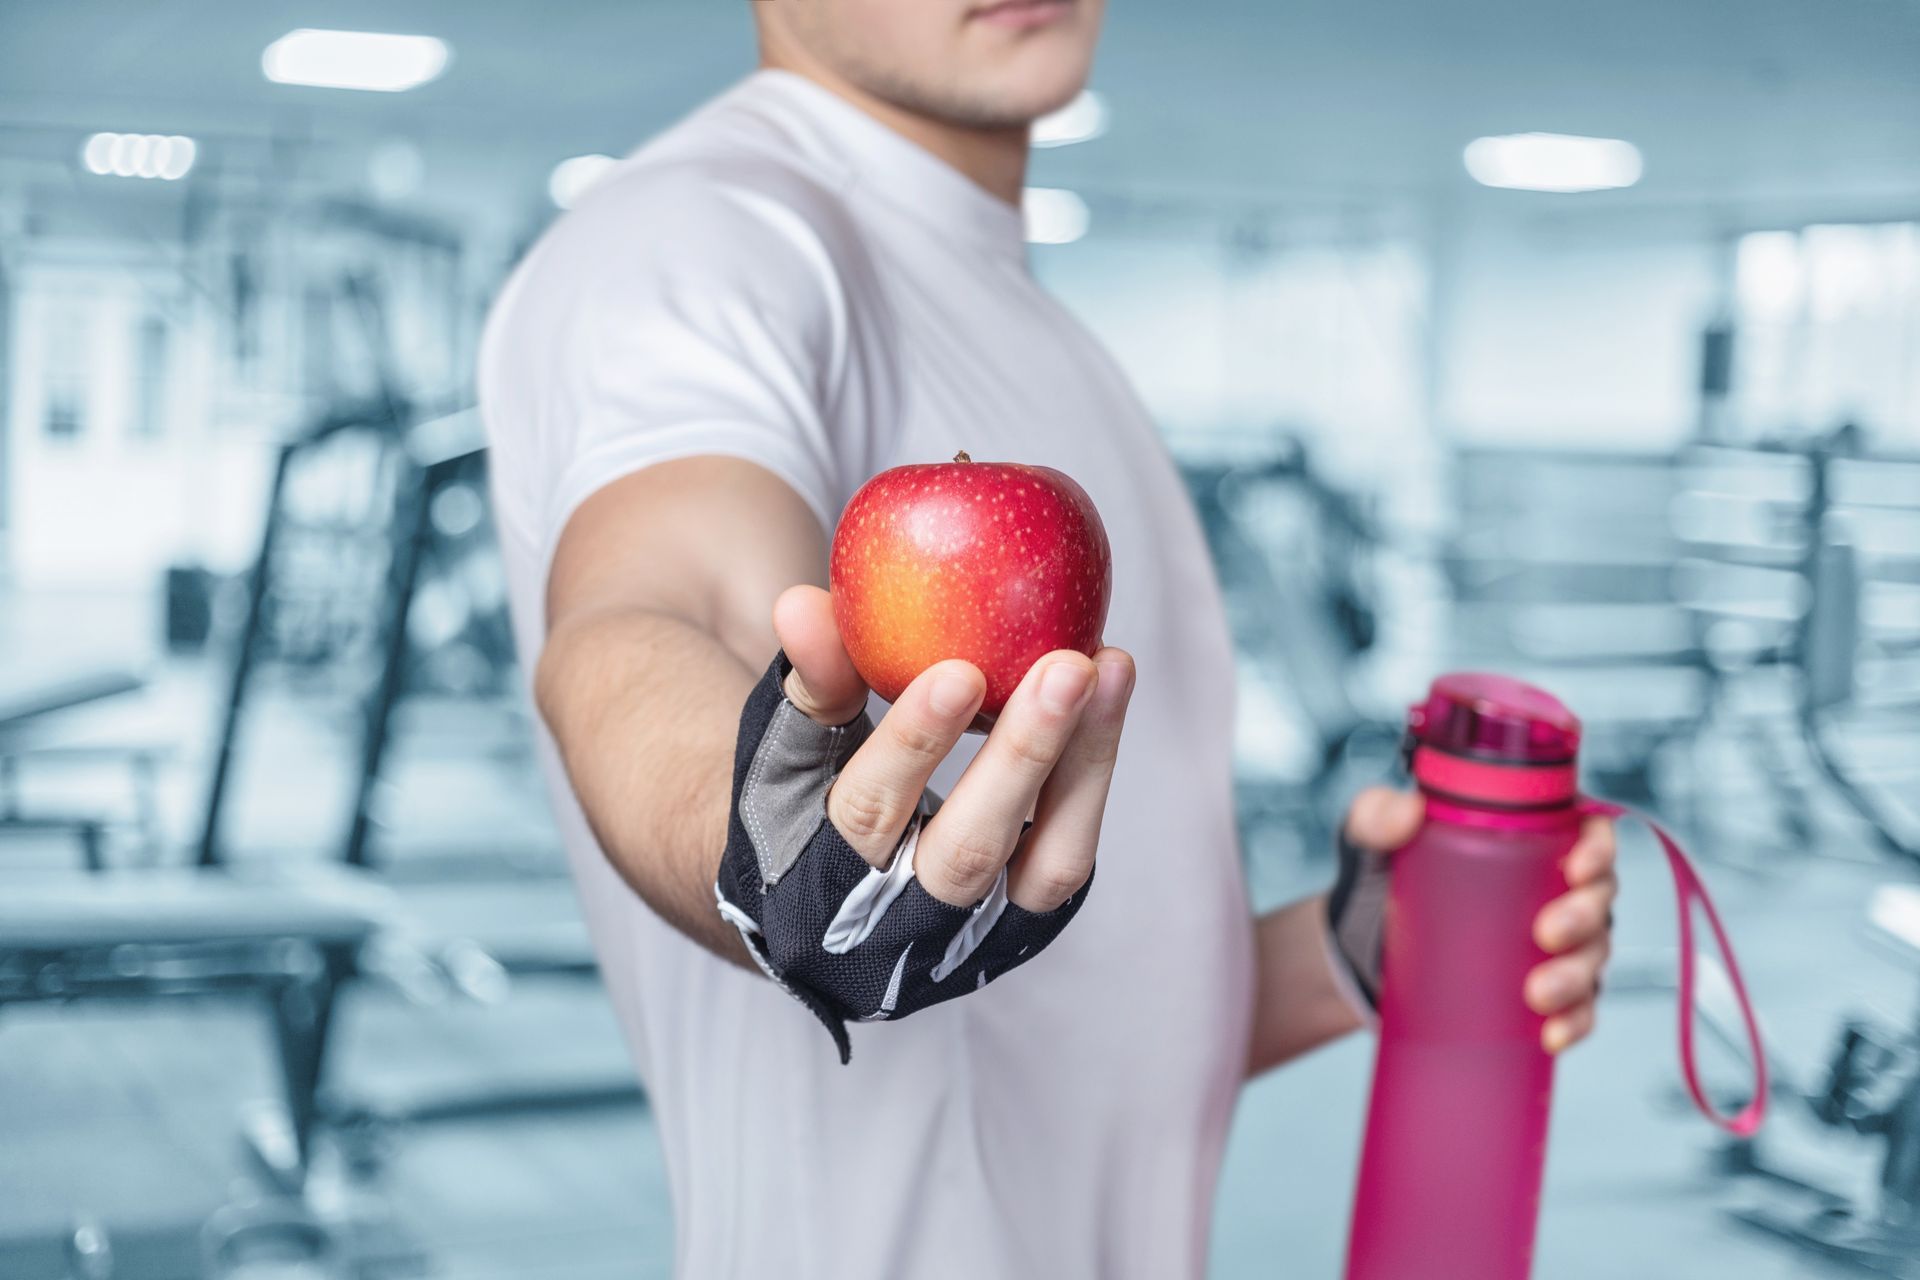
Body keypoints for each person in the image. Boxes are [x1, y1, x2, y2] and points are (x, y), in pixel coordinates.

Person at [477, 0, 1618, 1275]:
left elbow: (1059, 1023)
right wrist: (758, 846)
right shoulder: (702, 235)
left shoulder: (1025, 319)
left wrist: (1343, 954)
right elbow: (644, 612)